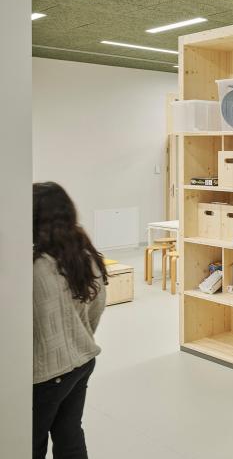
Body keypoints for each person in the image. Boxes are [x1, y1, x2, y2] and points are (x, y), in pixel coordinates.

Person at [33, 182, 108, 459]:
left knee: (29, 444)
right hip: (82, 361)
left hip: (44, 374)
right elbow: (97, 306)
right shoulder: (84, 254)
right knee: (70, 436)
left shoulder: (34, 266)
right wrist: (78, 338)